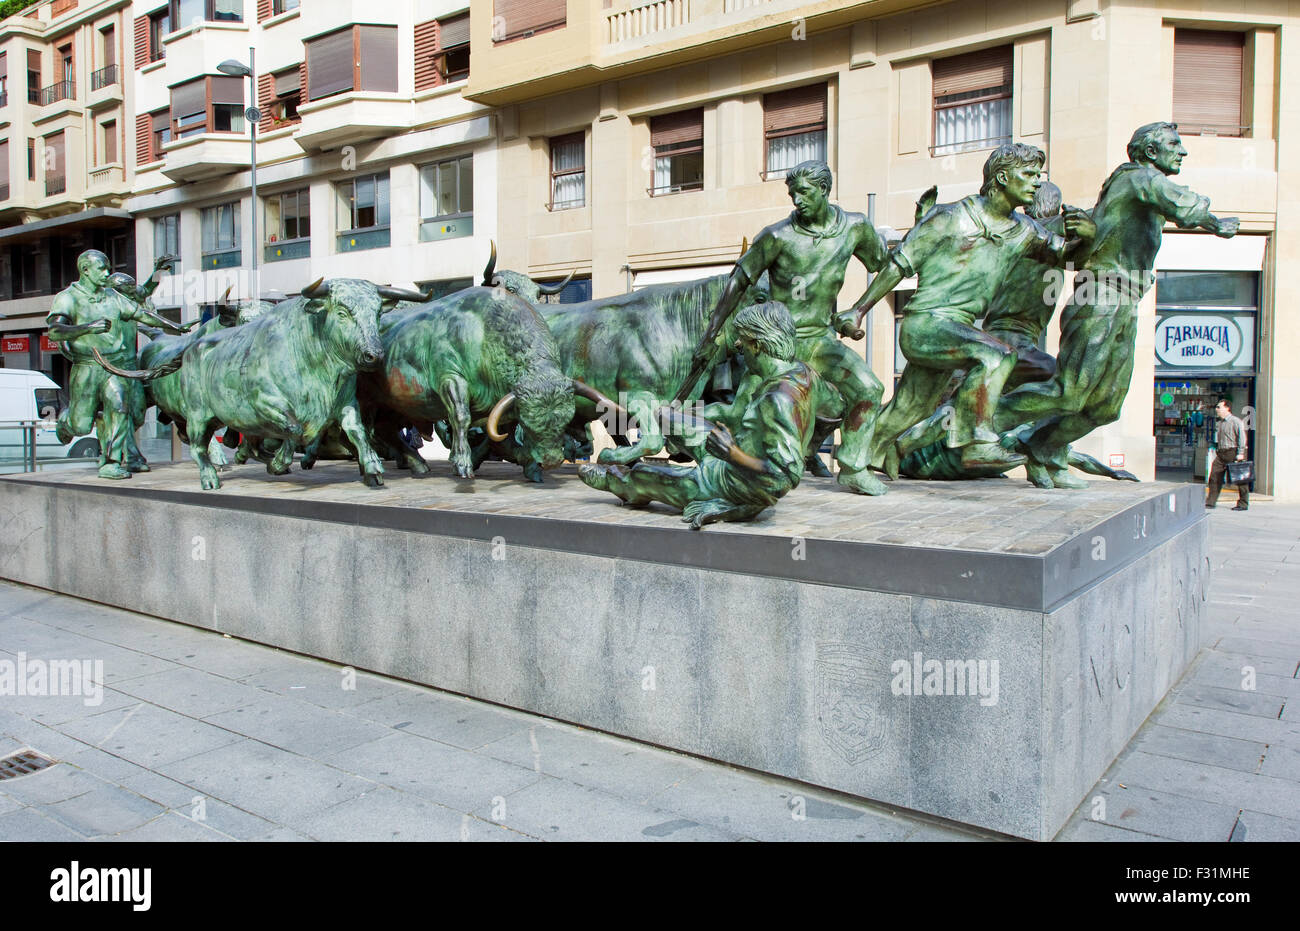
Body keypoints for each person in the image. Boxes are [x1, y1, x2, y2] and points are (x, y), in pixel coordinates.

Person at [997, 122, 1239, 488]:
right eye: (1174, 144)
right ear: (1149, 152)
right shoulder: (1137, 178)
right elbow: (1185, 207)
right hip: (1101, 295)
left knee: (1106, 406)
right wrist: (1216, 221)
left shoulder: (1142, 191)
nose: (1183, 152)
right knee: (1071, 390)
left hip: (1126, 299)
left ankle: (1040, 446)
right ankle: (981, 418)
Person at [846, 143, 1094, 477]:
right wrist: (858, 310)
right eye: (1029, 174)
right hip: (925, 323)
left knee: (909, 409)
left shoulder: (1025, 230)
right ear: (1002, 177)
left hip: (954, 331)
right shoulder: (949, 217)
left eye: (1039, 175)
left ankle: (855, 462)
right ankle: (977, 441)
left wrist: (1088, 238)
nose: (1036, 183)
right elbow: (898, 265)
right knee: (998, 355)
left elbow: (1068, 257)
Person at [675, 160, 891, 496]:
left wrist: (859, 310)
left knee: (868, 389)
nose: (797, 200)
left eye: (804, 192)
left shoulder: (855, 228)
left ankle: (852, 465)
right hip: (776, 345)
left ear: (824, 189)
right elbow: (738, 282)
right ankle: (696, 442)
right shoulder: (776, 236)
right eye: (793, 194)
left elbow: (887, 267)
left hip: (820, 340)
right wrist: (713, 332)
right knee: (743, 411)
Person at [583, 302, 822, 529]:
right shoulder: (803, 372)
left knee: (645, 475)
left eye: (743, 340)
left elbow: (786, 476)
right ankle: (661, 446)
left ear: (758, 345)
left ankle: (614, 480)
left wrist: (732, 453)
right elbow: (834, 409)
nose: (738, 344)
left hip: (734, 483)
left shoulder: (777, 399)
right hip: (731, 457)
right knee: (666, 415)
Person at [47, 250, 190, 479]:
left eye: (108, 268)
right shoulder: (68, 297)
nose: (106, 273)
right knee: (81, 425)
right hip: (88, 366)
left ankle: (111, 461)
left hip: (121, 367)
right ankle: (66, 423)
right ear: (85, 270)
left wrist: (177, 327)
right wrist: (86, 329)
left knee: (124, 408)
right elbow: (54, 331)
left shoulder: (115, 298)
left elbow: (143, 310)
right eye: (101, 269)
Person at [1206, 398, 1249, 511]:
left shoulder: (1236, 421)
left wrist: (1240, 453)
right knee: (1214, 477)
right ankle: (1211, 501)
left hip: (1232, 452)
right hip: (1221, 453)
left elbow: (1242, 438)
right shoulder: (1219, 423)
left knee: (1240, 479)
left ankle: (1243, 503)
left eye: (1219, 407)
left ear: (1227, 408)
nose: (1217, 409)